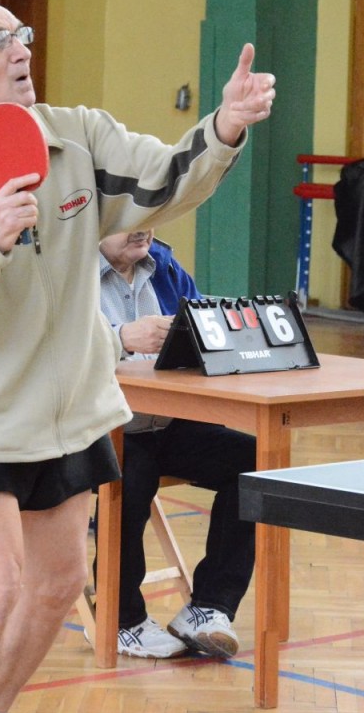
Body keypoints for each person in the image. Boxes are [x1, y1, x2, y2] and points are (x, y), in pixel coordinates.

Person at [0, 0, 275, 713]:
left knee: (59, 585)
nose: (21, 48)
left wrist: (224, 125)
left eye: (21, 34)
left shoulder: (78, 137)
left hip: (70, 412)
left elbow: (164, 181)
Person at [97, 230, 257, 659]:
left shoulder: (164, 264)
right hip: (97, 428)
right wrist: (120, 337)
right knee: (132, 474)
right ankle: (121, 620)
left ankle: (209, 607)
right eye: (132, 219)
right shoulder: (68, 269)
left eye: (153, 217)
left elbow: (207, 331)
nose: (144, 229)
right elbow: (54, 347)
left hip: (165, 423)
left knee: (254, 462)